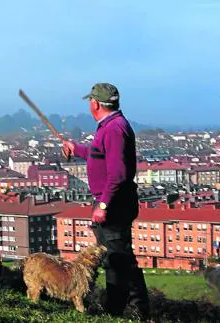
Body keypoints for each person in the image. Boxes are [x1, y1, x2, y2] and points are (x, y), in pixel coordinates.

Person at [62, 83, 149, 319]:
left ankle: (118, 311)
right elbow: (98, 154)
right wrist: (76, 148)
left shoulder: (113, 129)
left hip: (114, 205)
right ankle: (135, 310)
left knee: (116, 260)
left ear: (96, 104)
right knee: (120, 258)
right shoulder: (111, 126)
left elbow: (118, 173)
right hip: (115, 202)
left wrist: (103, 205)